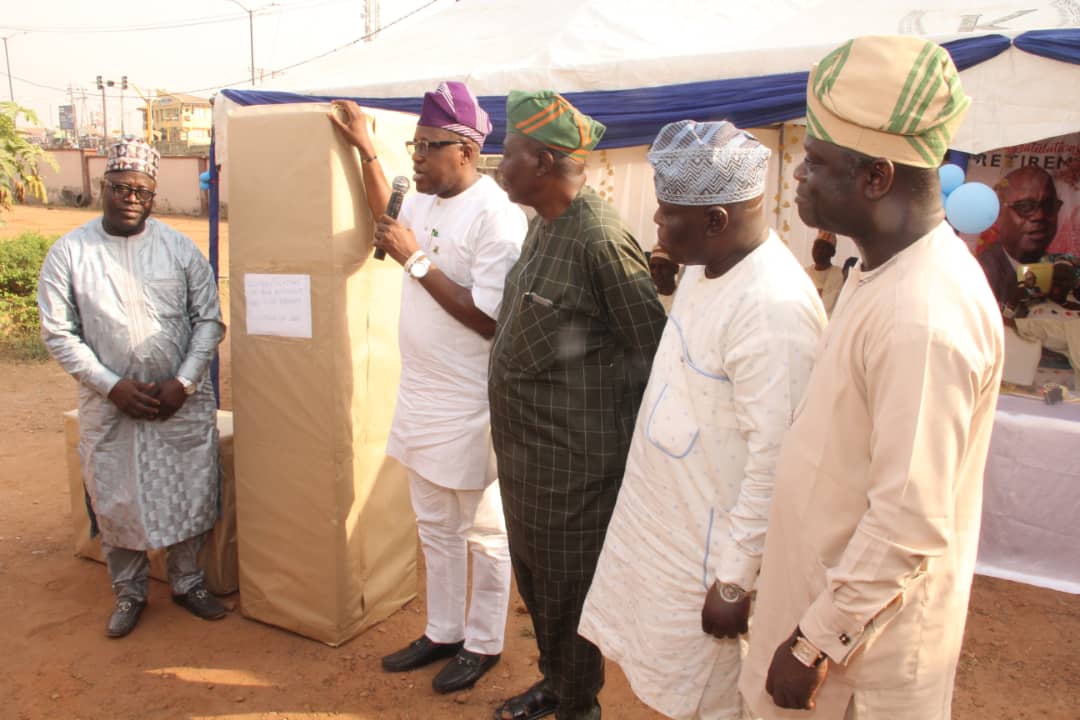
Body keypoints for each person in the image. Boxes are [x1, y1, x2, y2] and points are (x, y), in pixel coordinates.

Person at [740, 36, 1004, 719]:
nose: (798, 173)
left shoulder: (925, 314)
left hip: (856, 668)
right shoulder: (879, 270)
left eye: (817, 161)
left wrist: (813, 644)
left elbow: (907, 521)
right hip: (818, 599)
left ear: (877, 178)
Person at [578, 120, 825, 720]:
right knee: (664, 681)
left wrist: (736, 580)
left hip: (713, 554)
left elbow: (777, 461)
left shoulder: (773, 311)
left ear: (715, 219)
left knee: (710, 697)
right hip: (665, 525)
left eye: (667, 215)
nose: (656, 226)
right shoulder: (704, 265)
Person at [329, 82, 525, 694]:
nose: (417, 156)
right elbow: (389, 212)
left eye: (429, 146)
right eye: (414, 145)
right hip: (421, 395)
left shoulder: (498, 217)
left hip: (473, 404)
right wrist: (367, 150)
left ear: (466, 149)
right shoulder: (429, 199)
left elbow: (493, 318)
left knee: (486, 533)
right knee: (434, 525)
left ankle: (485, 642)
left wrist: (416, 261)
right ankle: (443, 630)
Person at [488, 90, 668, 720]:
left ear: (541, 160)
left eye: (505, 152)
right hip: (528, 461)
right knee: (538, 587)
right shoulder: (544, 224)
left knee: (568, 593)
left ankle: (578, 705)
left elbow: (653, 353)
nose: (495, 161)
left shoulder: (599, 239)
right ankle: (559, 684)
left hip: (576, 470)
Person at [37, 137, 228, 638]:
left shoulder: (179, 249)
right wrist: (110, 385)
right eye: (121, 188)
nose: (130, 198)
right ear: (104, 187)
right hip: (111, 405)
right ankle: (129, 592)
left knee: (190, 489)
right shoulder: (70, 253)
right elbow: (59, 332)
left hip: (178, 403)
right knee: (116, 497)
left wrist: (184, 382)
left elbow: (208, 321)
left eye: (141, 191)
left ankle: (188, 583)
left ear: (154, 194)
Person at [978, 165, 1064, 305]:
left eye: (1049, 205)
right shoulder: (979, 273)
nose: (1040, 216)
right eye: (1025, 207)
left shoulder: (1059, 269)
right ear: (998, 213)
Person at [804, 230, 845, 316]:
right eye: (816, 246)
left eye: (823, 247)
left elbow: (828, 306)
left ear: (832, 253)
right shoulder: (804, 274)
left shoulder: (840, 274)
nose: (818, 251)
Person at [648, 247, 681, 313]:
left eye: (662, 266)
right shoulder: (647, 298)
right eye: (652, 267)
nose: (656, 271)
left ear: (675, 269)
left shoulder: (682, 299)